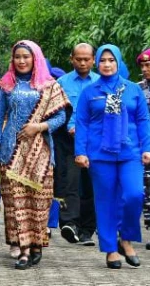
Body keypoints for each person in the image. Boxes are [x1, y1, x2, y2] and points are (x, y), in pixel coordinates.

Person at [0, 40, 68, 270]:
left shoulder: (49, 85)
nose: (21, 61)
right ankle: (23, 250)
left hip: (40, 152)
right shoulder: (6, 85)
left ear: (35, 58)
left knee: (39, 202)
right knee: (15, 203)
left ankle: (36, 245)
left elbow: (60, 118)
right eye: (17, 57)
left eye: (26, 56)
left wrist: (38, 127)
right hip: (10, 153)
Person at [75, 44, 150, 269]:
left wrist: (147, 147)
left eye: (111, 60)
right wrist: (80, 152)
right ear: (97, 64)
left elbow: (143, 120)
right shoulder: (90, 91)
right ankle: (110, 249)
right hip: (100, 154)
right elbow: (82, 123)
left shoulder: (132, 90)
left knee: (134, 194)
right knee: (105, 202)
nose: (107, 64)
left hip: (130, 152)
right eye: (103, 61)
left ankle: (125, 238)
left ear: (118, 63)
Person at [51, 44, 99, 246]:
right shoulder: (61, 83)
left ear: (93, 59)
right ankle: (69, 223)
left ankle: (87, 229)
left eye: (86, 59)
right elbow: (55, 112)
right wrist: (69, 126)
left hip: (95, 140)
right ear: (71, 59)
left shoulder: (100, 82)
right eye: (78, 58)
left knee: (91, 184)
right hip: (67, 140)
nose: (82, 62)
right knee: (68, 180)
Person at [137, 48, 150, 251]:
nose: (146, 69)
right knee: (147, 189)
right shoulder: (137, 88)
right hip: (144, 145)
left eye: (149, 65)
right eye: (143, 65)